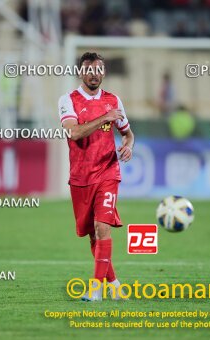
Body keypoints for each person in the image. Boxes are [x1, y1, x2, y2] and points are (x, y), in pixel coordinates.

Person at [58, 52, 135, 300]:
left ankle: (95, 291)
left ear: (104, 73)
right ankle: (114, 285)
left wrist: (128, 144)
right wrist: (105, 117)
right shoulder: (68, 100)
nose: (94, 74)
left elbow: (127, 133)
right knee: (93, 233)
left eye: (99, 70)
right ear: (81, 72)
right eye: (89, 69)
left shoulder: (114, 100)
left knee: (103, 227)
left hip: (108, 171)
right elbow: (74, 134)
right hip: (80, 177)